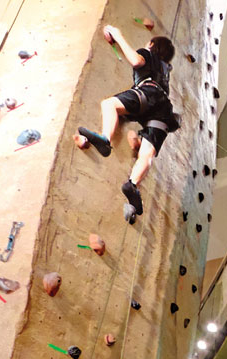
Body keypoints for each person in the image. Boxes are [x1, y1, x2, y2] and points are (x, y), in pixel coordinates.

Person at [74, 26, 179, 221]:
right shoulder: (165, 70)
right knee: (147, 153)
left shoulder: (148, 53)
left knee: (109, 105)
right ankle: (132, 184)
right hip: (164, 110)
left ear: (152, 44)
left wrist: (117, 34)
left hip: (147, 93)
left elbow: (136, 60)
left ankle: (105, 139)